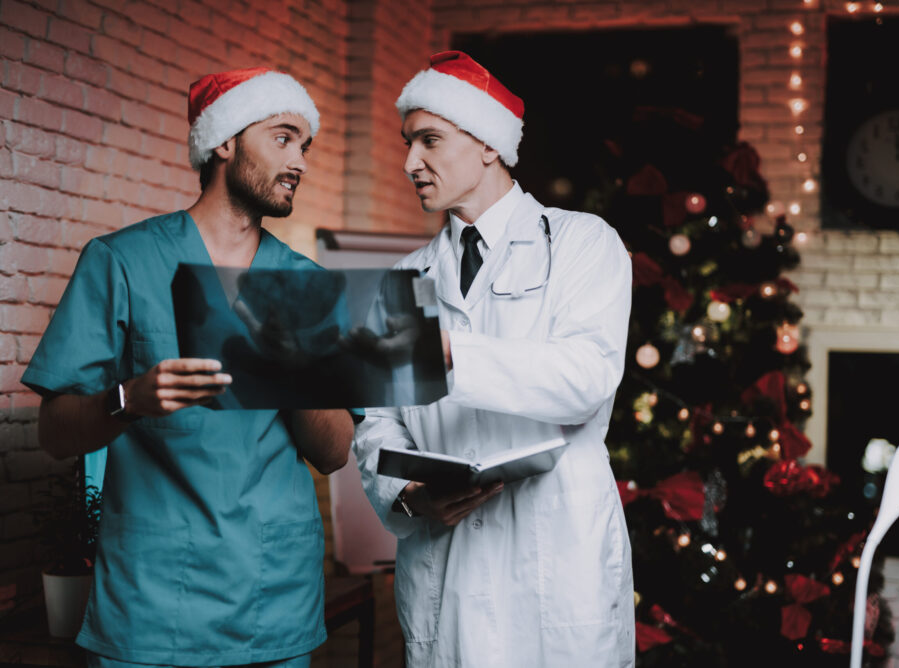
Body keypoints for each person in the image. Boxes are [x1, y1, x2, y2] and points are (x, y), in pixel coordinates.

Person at [21, 67, 355, 667]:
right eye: (282, 137)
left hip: (271, 595)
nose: (300, 160)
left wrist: (288, 365)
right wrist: (129, 400)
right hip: (153, 599)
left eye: (305, 146)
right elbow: (53, 431)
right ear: (224, 142)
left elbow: (333, 453)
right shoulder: (120, 262)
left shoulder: (304, 283)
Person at [354, 51, 636, 667]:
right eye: (408, 143)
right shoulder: (404, 279)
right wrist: (410, 496)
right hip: (444, 567)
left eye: (429, 140)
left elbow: (585, 377)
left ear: (487, 144)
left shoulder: (583, 244)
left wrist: (450, 351)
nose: (410, 163)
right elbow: (376, 420)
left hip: (556, 560)